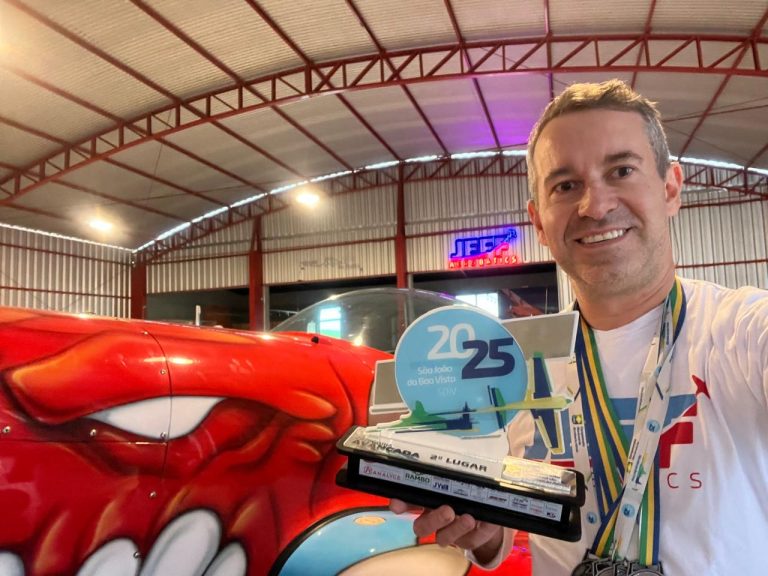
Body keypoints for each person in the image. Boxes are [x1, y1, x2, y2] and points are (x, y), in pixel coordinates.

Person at [391, 79, 768, 575]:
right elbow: (503, 521)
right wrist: (483, 532)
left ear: (670, 188)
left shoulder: (740, 332)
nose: (595, 206)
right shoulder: (513, 367)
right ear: (539, 222)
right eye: (566, 186)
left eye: (622, 171)